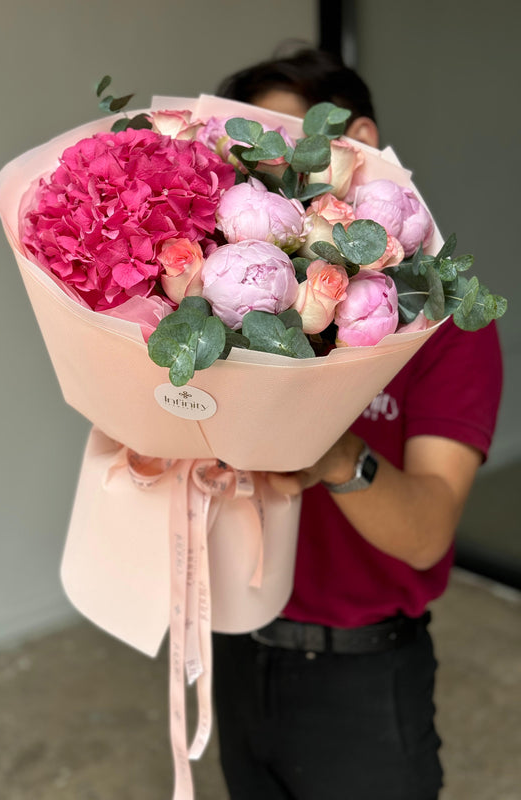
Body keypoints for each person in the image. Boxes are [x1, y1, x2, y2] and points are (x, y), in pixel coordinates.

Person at [211, 49, 503, 800]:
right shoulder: (227, 306)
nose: (265, 187)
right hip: (236, 653)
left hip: (365, 680)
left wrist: (334, 455)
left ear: (356, 142)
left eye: (283, 154)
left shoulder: (446, 316)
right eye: (248, 169)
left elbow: (428, 530)